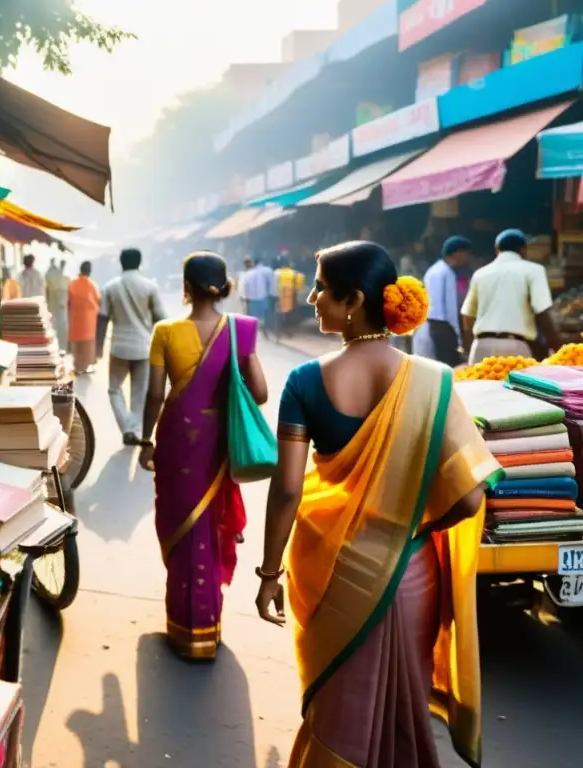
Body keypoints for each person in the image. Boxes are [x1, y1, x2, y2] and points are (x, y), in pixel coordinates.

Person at [258, 241, 498, 767]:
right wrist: (411, 527)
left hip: (329, 569)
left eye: (322, 287)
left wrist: (269, 572)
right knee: (399, 712)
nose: (313, 297)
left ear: (354, 300)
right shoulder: (433, 381)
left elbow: (289, 488)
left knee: (339, 714)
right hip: (412, 576)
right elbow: (471, 495)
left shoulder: (303, 383)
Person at [140, 251, 267, 660]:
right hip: (218, 445)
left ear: (187, 287)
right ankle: (208, 625)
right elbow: (260, 394)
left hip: (177, 441)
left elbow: (155, 394)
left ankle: (183, 627)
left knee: (179, 526)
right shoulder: (241, 330)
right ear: (224, 286)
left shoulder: (165, 332)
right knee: (208, 527)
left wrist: (145, 441)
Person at [461, 229, 561, 364]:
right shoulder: (534, 270)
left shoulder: (480, 274)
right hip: (516, 347)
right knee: (515, 386)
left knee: (478, 384)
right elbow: (542, 312)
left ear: (497, 249)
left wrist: (469, 348)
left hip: (481, 346)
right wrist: (558, 349)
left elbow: (467, 316)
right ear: (523, 250)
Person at [98, 247, 165, 445]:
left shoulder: (110, 287)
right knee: (140, 391)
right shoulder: (150, 287)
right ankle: (132, 428)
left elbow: (102, 319)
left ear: (121, 263)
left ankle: (127, 428)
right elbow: (161, 319)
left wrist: (98, 348)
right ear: (139, 262)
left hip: (118, 346)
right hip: (144, 346)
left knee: (114, 389)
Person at [413, 236, 471, 366]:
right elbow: (444, 310)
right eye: (466, 253)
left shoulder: (437, 270)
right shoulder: (445, 272)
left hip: (432, 327)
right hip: (440, 328)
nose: (468, 258)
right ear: (458, 253)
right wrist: (457, 337)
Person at [68, 261, 101, 374]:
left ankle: (77, 367)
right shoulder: (92, 285)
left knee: (77, 344)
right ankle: (85, 367)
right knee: (87, 344)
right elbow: (98, 301)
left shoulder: (72, 283)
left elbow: (68, 301)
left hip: (75, 318)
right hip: (88, 321)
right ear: (89, 271)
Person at [274, 258, 305, 336]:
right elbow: (300, 284)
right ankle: (287, 328)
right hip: (291, 297)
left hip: (280, 296)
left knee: (279, 313)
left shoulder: (277, 272)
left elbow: (274, 284)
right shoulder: (295, 273)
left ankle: (279, 329)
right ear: (290, 266)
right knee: (288, 313)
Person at [46, 258, 70, 352]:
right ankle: (61, 347)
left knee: (55, 326)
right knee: (59, 327)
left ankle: (58, 346)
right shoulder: (64, 278)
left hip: (55, 306)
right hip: (60, 307)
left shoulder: (51, 276)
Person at [243, 258, 274, 331]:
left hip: (253, 298)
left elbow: (246, 286)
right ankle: (264, 328)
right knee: (264, 314)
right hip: (263, 297)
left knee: (254, 316)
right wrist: (271, 293)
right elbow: (272, 283)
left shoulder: (249, 273)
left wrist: (246, 296)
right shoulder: (268, 270)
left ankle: (255, 329)